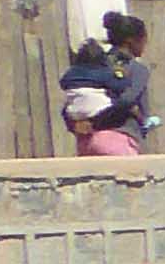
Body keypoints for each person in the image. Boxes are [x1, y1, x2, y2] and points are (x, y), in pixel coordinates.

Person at [56, 12, 153, 157]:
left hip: (85, 142)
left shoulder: (93, 65)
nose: (145, 44)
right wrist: (98, 122)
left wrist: (75, 125)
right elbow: (127, 100)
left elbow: (71, 102)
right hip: (117, 140)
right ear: (131, 41)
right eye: (144, 40)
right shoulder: (136, 69)